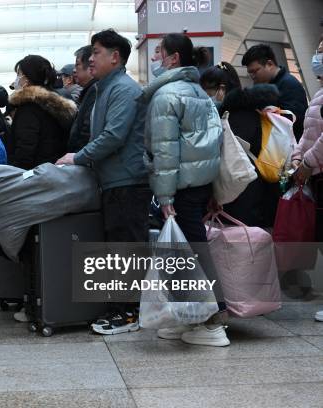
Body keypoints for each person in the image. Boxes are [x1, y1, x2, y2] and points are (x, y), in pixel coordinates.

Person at [56, 29, 151, 335]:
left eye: (96, 52)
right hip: (113, 181)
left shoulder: (123, 89)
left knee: (126, 248)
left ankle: (129, 312)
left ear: (115, 56)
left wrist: (78, 156)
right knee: (118, 246)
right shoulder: (104, 88)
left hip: (127, 181)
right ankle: (121, 308)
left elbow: (113, 135)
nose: (91, 58)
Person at [141, 34, 228, 347]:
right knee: (185, 254)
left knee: (191, 255)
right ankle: (189, 316)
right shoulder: (199, 93)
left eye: (159, 53)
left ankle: (213, 322)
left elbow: (165, 151)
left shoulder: (167, 95)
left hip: (179, 188)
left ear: (173, 58)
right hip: (199, 184)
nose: (155, 59)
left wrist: (164, 197)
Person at [201, 62, 282, 228]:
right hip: (252, 185)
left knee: (240, 240)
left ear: (222, 89)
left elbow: (230, 159)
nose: (204, 97)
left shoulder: (234, 116)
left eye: (207, 91)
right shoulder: (251, 110)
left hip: (241, 187)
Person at [7, 55, 77, 170]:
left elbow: (25, 149)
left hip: (36, 174)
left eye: (19, 74)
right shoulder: (57, 104)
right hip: (57, 169)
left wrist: (16, 175)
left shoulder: (29, 108)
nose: (17, 79)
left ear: (27, 79)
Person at [242, 44, 308, 141]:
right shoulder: (266, 85)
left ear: (269, 64)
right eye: (250, 73)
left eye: (255, 71)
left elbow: (294, 120)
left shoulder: (289, 84)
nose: (252, 76)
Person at [293, 35, 323, 249]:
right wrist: (297, 156)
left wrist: (308, 162)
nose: (317, 57)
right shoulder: (319, 94)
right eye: (318, 51)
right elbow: (309, 130)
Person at [67, 46, 97, 152]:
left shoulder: (95, 91)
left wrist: (78, 156)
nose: (74, 70)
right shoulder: (88, 90)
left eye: (77, 64)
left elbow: (86, 131)